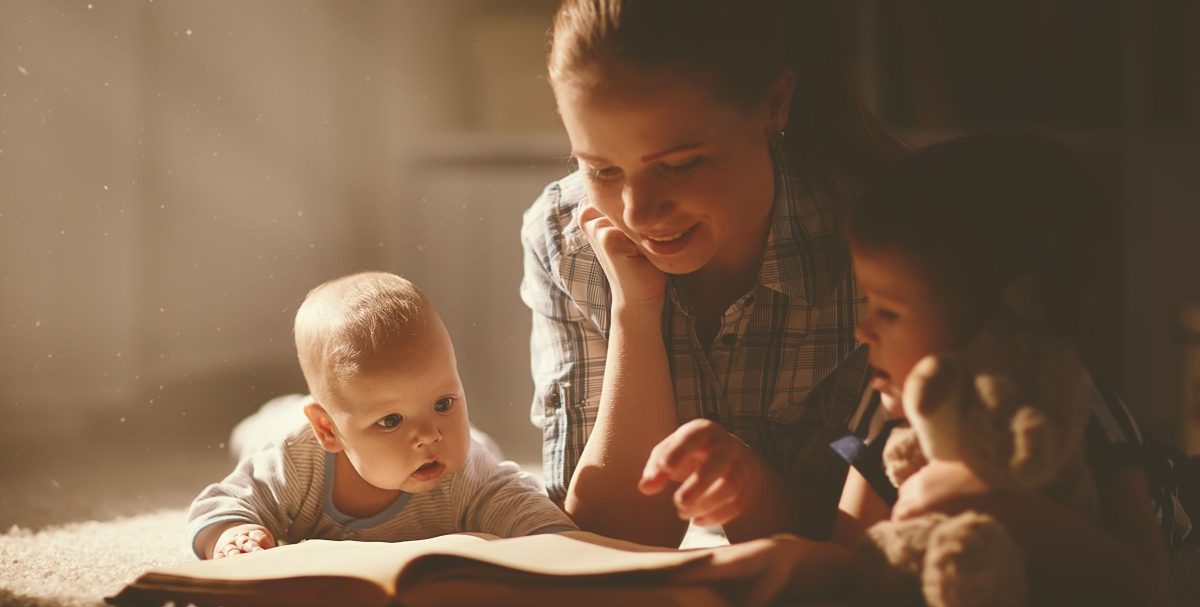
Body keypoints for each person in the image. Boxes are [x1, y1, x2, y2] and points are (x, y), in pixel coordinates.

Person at [675, 132, 1183, 607]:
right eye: (867, 303)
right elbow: (854, 554)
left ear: (1006, 321)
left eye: (889, 312)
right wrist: (786, 558)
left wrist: (992, 500)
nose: (862, 331)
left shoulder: (1071, 403)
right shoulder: (885, 407)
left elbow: (1147, 589)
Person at [521, 0, 904, 547]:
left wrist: (754, 490)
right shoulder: (568, 238)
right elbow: (612, 538)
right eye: (602, 170)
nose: (638, 213)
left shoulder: (876, 243)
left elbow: (872, 539)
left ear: (774, 104)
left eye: (680, 165)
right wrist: (635, 312)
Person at [188, 272, 575, 560]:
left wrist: (556, 538)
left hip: (460, 442)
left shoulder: (467, 474)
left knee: (477, 446)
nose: (429, 434)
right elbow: (221, 504)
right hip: (282, 423)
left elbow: (519, 504)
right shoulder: (293, 464)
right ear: (327, 430)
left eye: (444, 403)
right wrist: (233, 534)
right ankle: (269, 418)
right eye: (391, 420)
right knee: (257, 432)